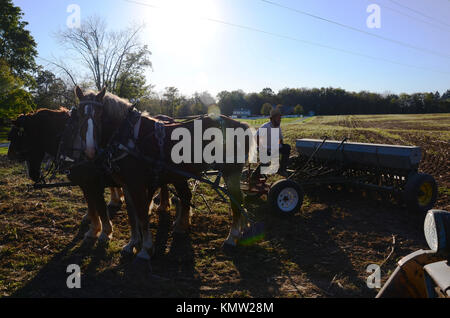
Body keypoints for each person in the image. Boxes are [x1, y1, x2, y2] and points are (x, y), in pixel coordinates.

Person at [250, 107, 291, 184]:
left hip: (273, 147)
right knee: (267, 159)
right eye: (278, 117)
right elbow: (256, 137)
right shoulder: (266, 126)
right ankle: (254, 176)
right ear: (272, 118)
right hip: (264, 148)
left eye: (280, 118)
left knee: (287, 147)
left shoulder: (278, 127)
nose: (280, 119)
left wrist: (281, 145)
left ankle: (282, 169)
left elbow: (280, 139)